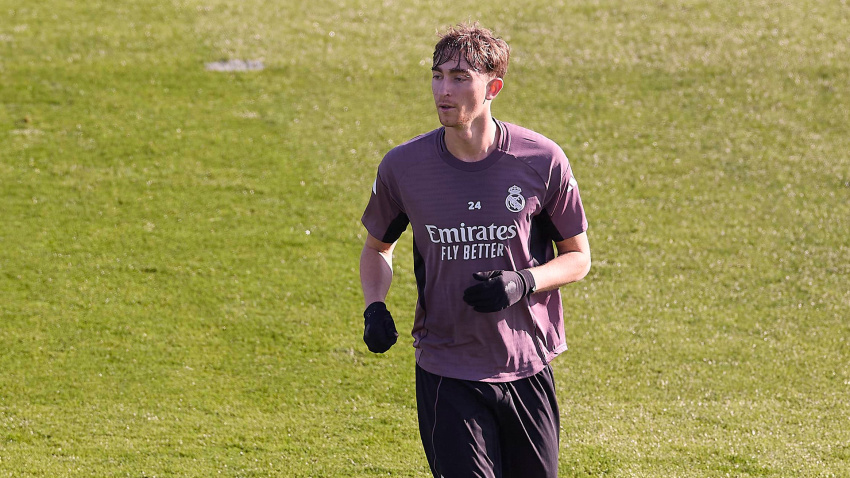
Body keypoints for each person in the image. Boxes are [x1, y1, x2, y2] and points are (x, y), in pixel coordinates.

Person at [358, 23, 591, 478]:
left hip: (525, 365)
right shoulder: (404, 167)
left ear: (493, 87)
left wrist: (523, 282)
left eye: (461, 77)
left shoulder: (541, 161)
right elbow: (376, 248)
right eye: (437, 75)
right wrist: (374, 306)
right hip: (447, 368)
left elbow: (579, 257)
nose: (444, 90)